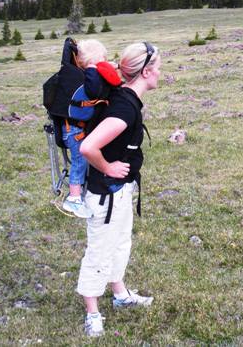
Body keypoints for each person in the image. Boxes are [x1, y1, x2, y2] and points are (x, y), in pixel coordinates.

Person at [77, 41, 161, 337]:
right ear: (147, 72)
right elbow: (88, 147)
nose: (161, 74)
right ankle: (92, 313)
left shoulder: (126, 99)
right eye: (159, 68)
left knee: (120, 243)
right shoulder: (124, 107)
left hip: (120, 190)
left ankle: (120, 293)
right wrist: (108, 167)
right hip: (105, 194)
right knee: (99, 250)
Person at [62, 39, 121, 218]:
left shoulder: (80, 72)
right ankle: (73, 199)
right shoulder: (90, 74)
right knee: (80, 161)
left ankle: (80, 192)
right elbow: (94, 91)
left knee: (82, 160)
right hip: (74, 131)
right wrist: (96, 70)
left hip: (74, 129)